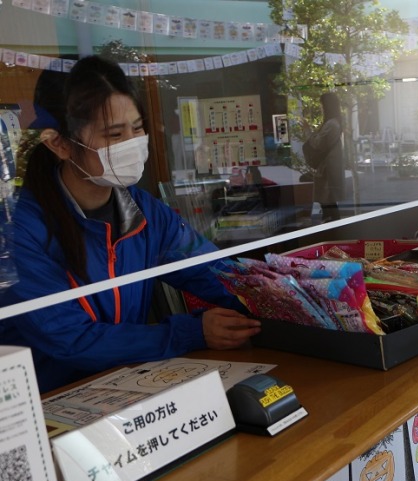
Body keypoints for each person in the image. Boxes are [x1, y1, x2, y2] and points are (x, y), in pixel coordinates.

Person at [0, 55, 261, 393]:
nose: (133, 143)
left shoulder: (143, 211)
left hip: (121, 390)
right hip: (44, 406)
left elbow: (214, 272)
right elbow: (70, 339)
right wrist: (191, 332)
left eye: (137, 128)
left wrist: (274, 299)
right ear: (59, 143)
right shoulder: (17, 231)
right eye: (114, 133)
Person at [302, 92, 345, 222]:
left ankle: (332, 227)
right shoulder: (335, 122)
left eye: (322, 104)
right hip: (327, 168)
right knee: (328, 202)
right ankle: (332, 225)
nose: (320, 107)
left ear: (327, 106)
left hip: (327, 169)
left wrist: (307, 130)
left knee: (327, 202)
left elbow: (318, 144)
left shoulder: (332, 124)